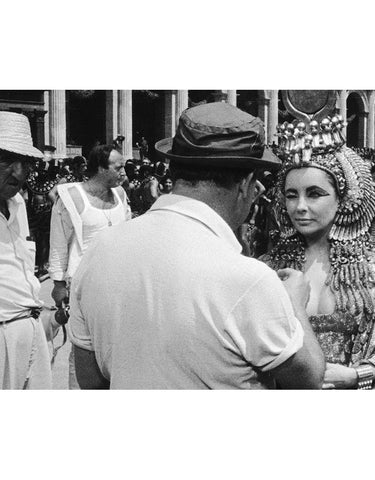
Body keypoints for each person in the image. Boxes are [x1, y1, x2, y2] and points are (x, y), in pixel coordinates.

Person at [69, 102, 326, 389]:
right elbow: (309, 377)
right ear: (246, 184)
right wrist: (295, 307)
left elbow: (90, 380)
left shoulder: (99, 250)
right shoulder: (246, 278)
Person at [263, 116, 375, 389]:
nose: (300, 206)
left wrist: (356, 375)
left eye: (314, 194)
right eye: (291, 195)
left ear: (344, 199)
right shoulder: (266, 268)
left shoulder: (373, 269)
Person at [49, 144, 131, 388]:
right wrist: (58, 284)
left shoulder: (120, 195)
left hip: (119, 286)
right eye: (119, 167)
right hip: (83, 287)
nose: (124, 172)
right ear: (100, 169)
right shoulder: (71, 198)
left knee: (118, 346)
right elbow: (58, 244)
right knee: (84, 350)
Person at [0, 111, 52, 389]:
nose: (20, 173)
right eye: (7, 160)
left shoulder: (17, 204)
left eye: (26, 163)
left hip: (31, 328)